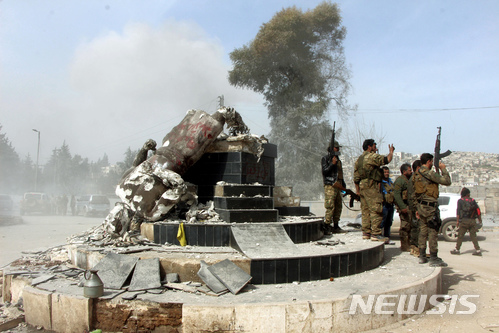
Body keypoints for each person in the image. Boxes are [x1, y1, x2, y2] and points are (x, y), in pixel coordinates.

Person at [413, 153, 451, 267]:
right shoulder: (429, 173)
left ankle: (422, 255)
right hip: (430, 206)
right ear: (429, 161)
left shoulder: (417, 174)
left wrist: (416, 208)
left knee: (423, 230)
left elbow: (414, 192)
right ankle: (433, 257)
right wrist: (443, 169)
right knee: (433, 230)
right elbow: (447, 181)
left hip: (421, 206)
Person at [354, 139, 395, 242]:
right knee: (376, 209)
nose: (375, 148)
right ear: (369, 147)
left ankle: (366, 232)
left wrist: (358, 191)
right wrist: (391, 152)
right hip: (372, 186)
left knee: (366, 210)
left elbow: (356, 178)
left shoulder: (359, 159)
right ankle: (376, 234)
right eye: (374, 146)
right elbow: (387, 160)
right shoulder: (371, 157)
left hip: (363, 186)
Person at [321, 141, 347, 234]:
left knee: (338, 205)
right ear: (331, 148)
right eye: (336, 148)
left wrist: (343, 186)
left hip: (338, 185)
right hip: (330, 185)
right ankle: (327, 226)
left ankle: (336, 226)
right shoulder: (326, 158)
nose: (338, 149)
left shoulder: (338, 160)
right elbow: (325, 172)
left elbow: (340, 174)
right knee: (330, 206)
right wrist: (332, 164)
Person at [451, 187, 482, 256]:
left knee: (460, 236)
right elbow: (478, 211)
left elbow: (458, 211)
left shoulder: (460, 201)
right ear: (468, 194)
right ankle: (478, 250)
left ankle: (457, 249)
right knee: (473, 236)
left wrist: (458, 221)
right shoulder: (473, 200)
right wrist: (480, 220)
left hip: (464, 221)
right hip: (472, 221)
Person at [393, 163, 412, 251]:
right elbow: (396, 195)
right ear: (404, 172)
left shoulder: (409, 180)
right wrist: (402, 207)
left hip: (409, 206)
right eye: (409, 170)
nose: (411, 171)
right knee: (405, 227)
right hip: (404, 206)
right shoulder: (400, 181)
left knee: (410, 226)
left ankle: (410, 244)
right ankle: (404, 245)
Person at [407, 160, 422, 257]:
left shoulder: (412, 178)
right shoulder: (415, 179)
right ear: (418, 168)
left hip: (413, 207)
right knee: (417, 229)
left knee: (415, 228)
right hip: (416, 207)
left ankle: (414, 248)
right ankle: (416, 248)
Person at [380, 166, 395, 243]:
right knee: (382, 222)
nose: (386, 174)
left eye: (387, 172)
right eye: (385, 172)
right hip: (384, 204)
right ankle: (380, 237)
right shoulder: (380, 183)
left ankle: (387, 238)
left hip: (390, 204)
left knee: (389, 222)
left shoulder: (390, 182)